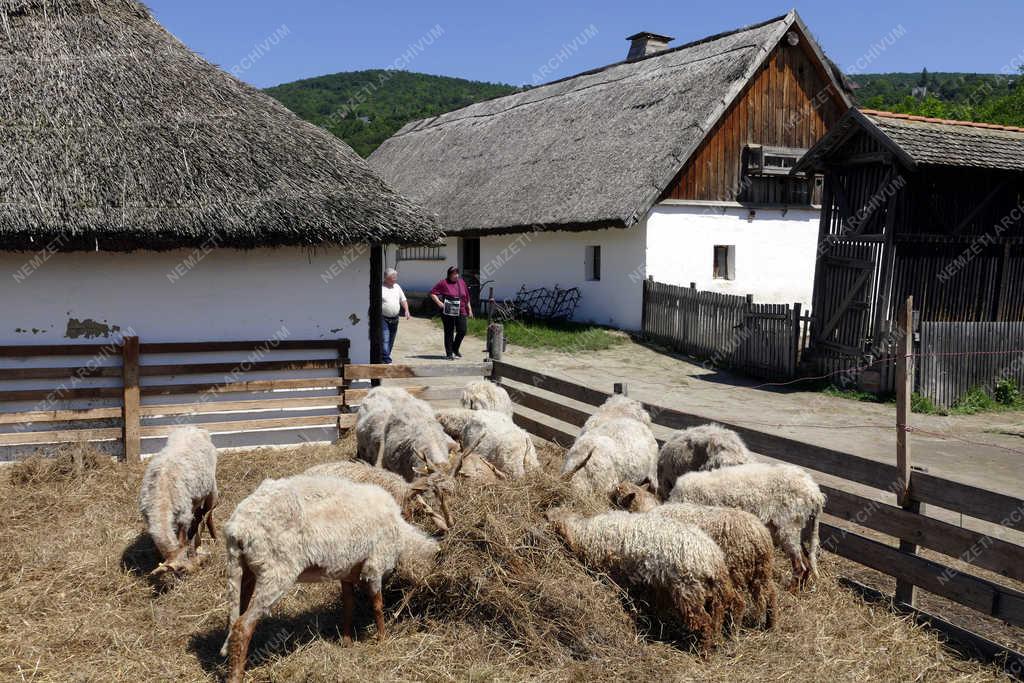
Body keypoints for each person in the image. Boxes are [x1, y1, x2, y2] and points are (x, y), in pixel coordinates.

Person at [430, 265, 473, 360]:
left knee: (462, 330)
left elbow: (467, 297)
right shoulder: (443, 283)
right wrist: (439, 303)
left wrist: (469, 309)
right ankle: (449, 353)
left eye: (457, 273)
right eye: (454, 274)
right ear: (449, 275)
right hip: (448, 310)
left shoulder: (461, 282)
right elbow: (432, 293)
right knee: (449, 332)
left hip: (461, 310)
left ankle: (455, 348)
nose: (456, 275)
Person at [381, 268, 410, 364]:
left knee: (391, 339)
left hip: (395, 318)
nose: (395, 279)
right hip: (383, 318)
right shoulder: (380, 288)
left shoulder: (397, 287)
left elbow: (403, 299)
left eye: (395, 277)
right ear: (386, 278)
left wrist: (406, 310)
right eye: (392, 278)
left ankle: (385, 356)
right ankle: (386, 359)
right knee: (385, 338)